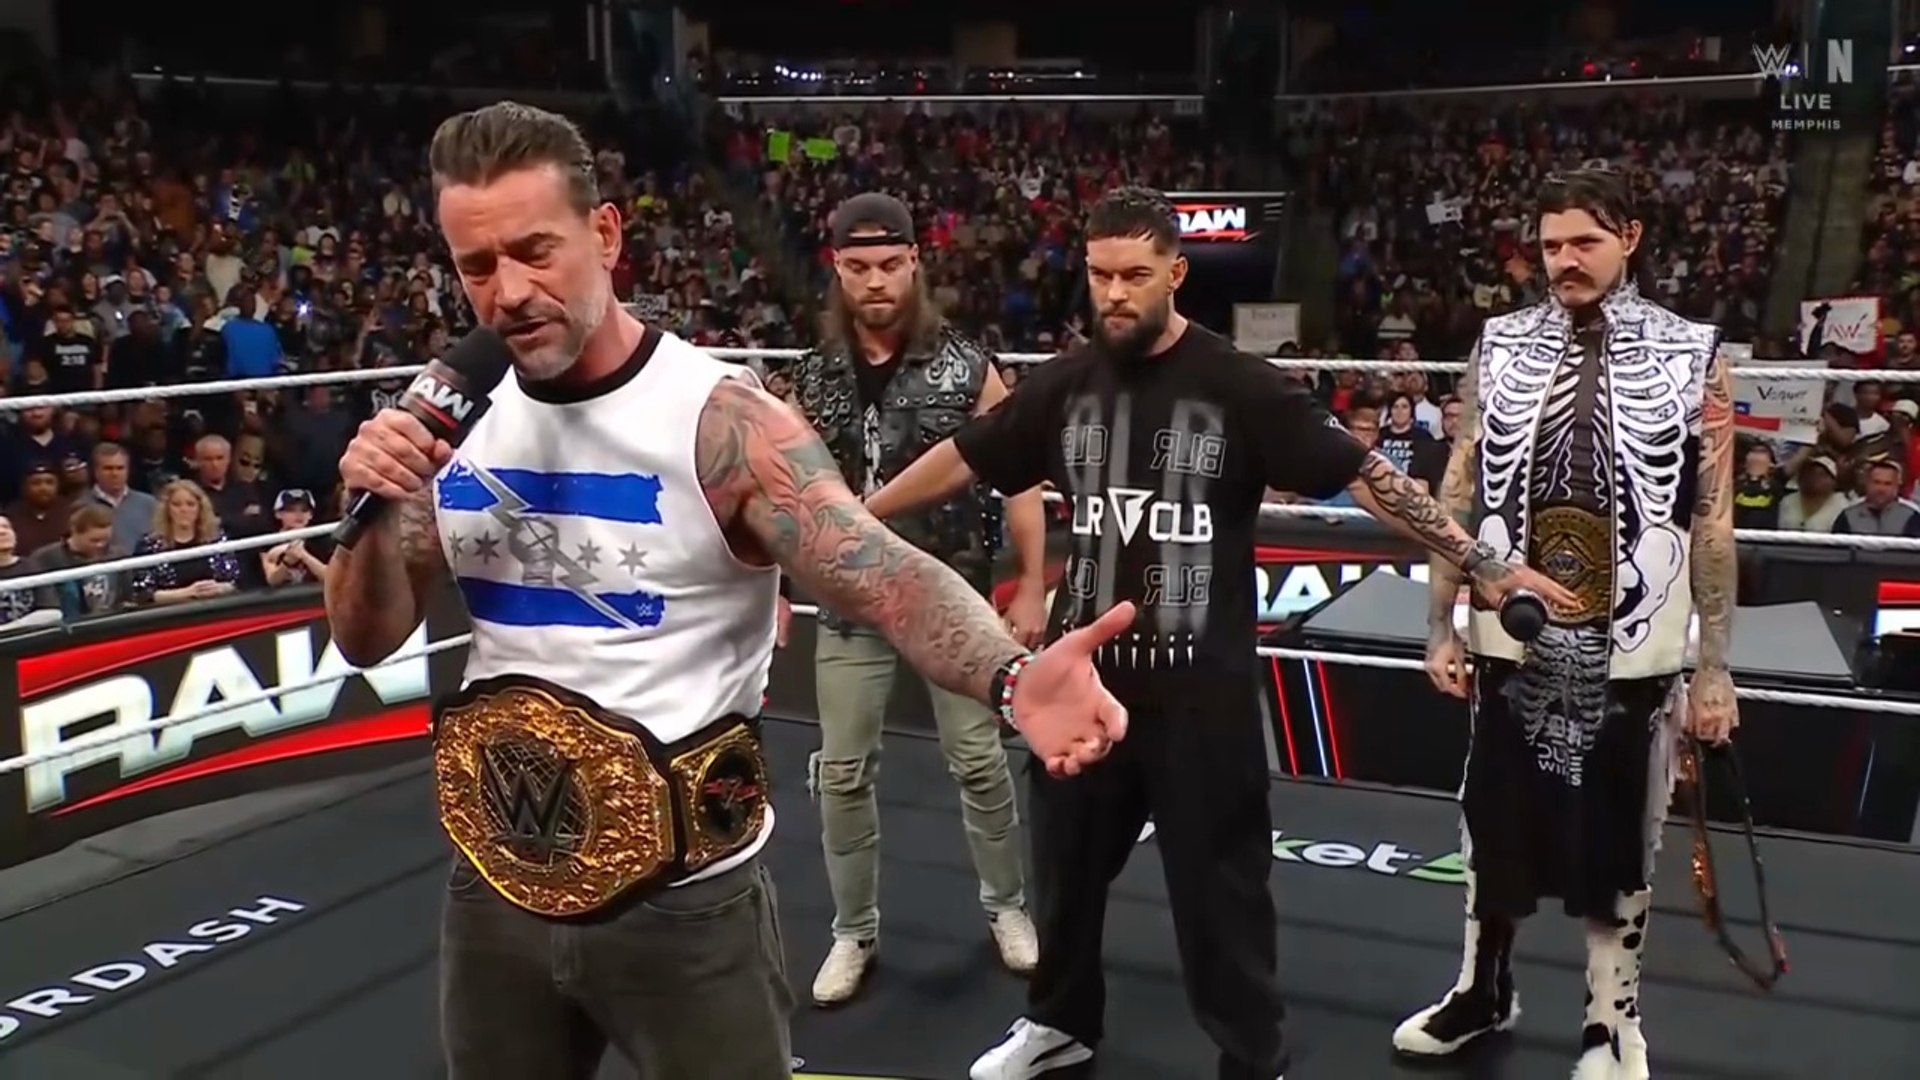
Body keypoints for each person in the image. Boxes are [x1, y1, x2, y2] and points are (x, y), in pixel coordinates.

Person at [321, 101, 1135, 1080]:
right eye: (478, 266)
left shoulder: (721, 421)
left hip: (685, 906)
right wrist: (375, 507)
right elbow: (365, 636)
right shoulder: (441, 419)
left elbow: (883, 572)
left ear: (605, 234)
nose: (511, 291)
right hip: (494, 888)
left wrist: (1011, 676)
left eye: (536, 252)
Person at [865, 185, 1571, 1080]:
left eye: (1134, 275)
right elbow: (970, 453)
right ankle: (1058, 1021)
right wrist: (852, 522)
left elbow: (1365, 475)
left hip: (1203, 696)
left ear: (1176, 274)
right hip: (1084, 685)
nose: (1114, 293)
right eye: (1100, 275)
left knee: (1221, 896)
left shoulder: (1239, 384)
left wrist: (1484, 563)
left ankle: (1252, 1054)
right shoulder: (1065, 384)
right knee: (1064, 875)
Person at [1399, 168, 1740, 1080]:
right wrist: (1438, 621)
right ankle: (1481, 989)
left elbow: (1712, 518)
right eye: (1551, 246)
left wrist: (1715, 665)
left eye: (1584, 241)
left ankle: (1612, 1018)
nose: (1564, 261)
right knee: (1490, 822)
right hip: (1511, 630)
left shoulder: (1692, 352)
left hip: (1636, 636)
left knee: (1622, 833)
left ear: (1629, 237)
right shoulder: (1499, 343)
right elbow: (1458, 488)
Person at [786, 192, 1048, 1006]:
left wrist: (1031, 583)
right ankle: (853, 930)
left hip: (951, 596)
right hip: (850, 599)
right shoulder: (812, 377)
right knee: (841, 771)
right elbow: (780, 494)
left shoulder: (969, 367)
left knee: (979, 761)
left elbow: (1021, 477)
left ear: (914, 264)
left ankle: (1007, 907)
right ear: (837, 269)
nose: (876, 281)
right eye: (859, 266)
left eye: (890, 265)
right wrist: (772, 584)